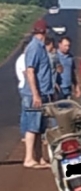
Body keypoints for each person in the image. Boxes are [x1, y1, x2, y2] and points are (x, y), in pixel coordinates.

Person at [21, 19, 53, 169]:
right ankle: (29, 158)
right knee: (32, 126)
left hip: (42, 94)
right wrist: (36, 95)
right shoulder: (34, 48)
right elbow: (30, 71)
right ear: (44, 32)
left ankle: (39, 157)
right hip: (33, 96)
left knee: (40, 128)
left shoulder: (40, 48)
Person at [16, 39, 30, 141]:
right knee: (26, 111)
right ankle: (25, 133)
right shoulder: (23, 59)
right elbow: (27, 73)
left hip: (25, 86)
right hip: (24, 86)